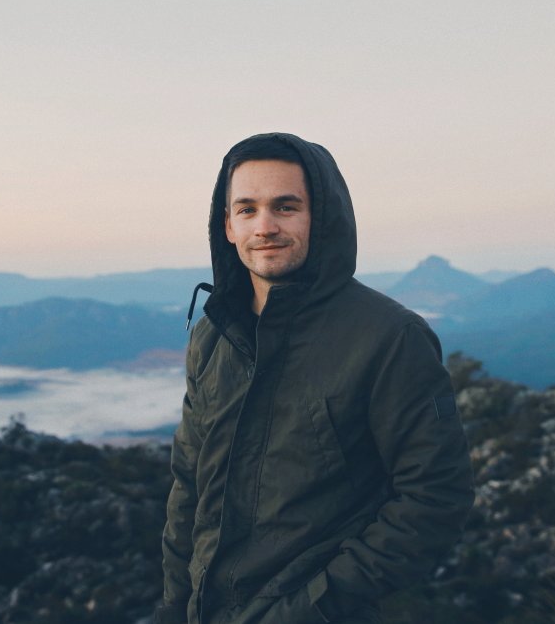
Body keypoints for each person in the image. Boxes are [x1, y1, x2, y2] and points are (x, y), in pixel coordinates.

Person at [158, 133, 474, 624]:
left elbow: (434, 497)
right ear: (227, 225)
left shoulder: (389, 337)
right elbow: (188, 486)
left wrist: (312, 609)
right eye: (247, 209)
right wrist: (176, 607)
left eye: (285, 207)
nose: (264, 226)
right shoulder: (212, 337)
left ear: (321, 218)